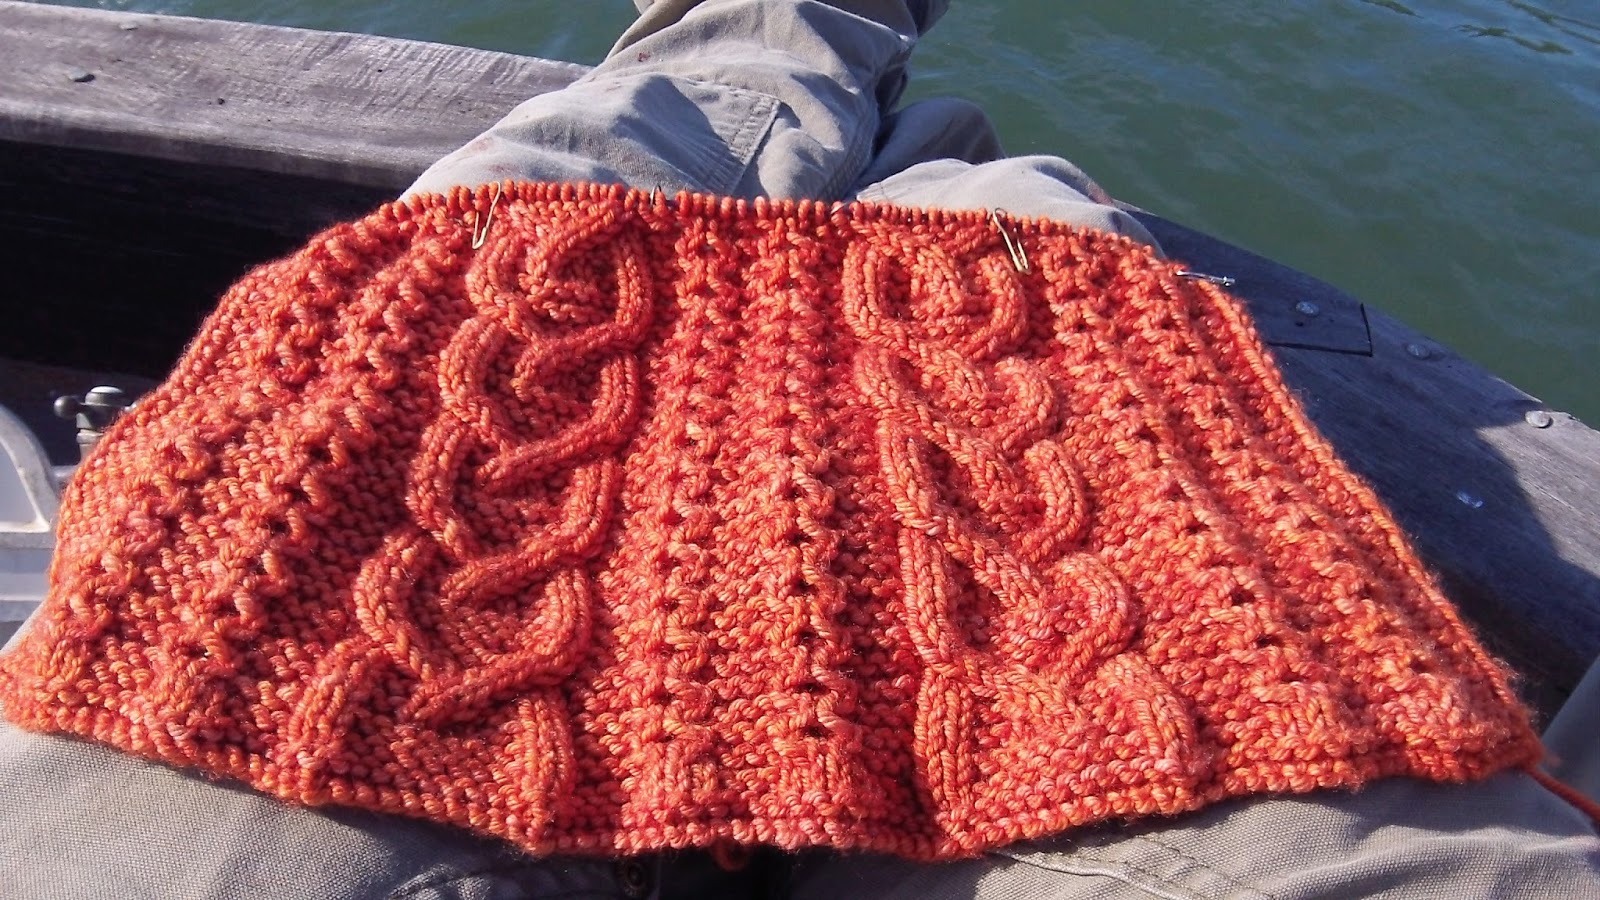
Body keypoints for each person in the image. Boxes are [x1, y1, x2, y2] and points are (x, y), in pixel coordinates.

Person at [2, 1, 1597, 897]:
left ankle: (779, 43)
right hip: (1209, 769)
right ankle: (877, 127)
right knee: (1007, 270)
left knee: (543, 226)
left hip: (259, 725)